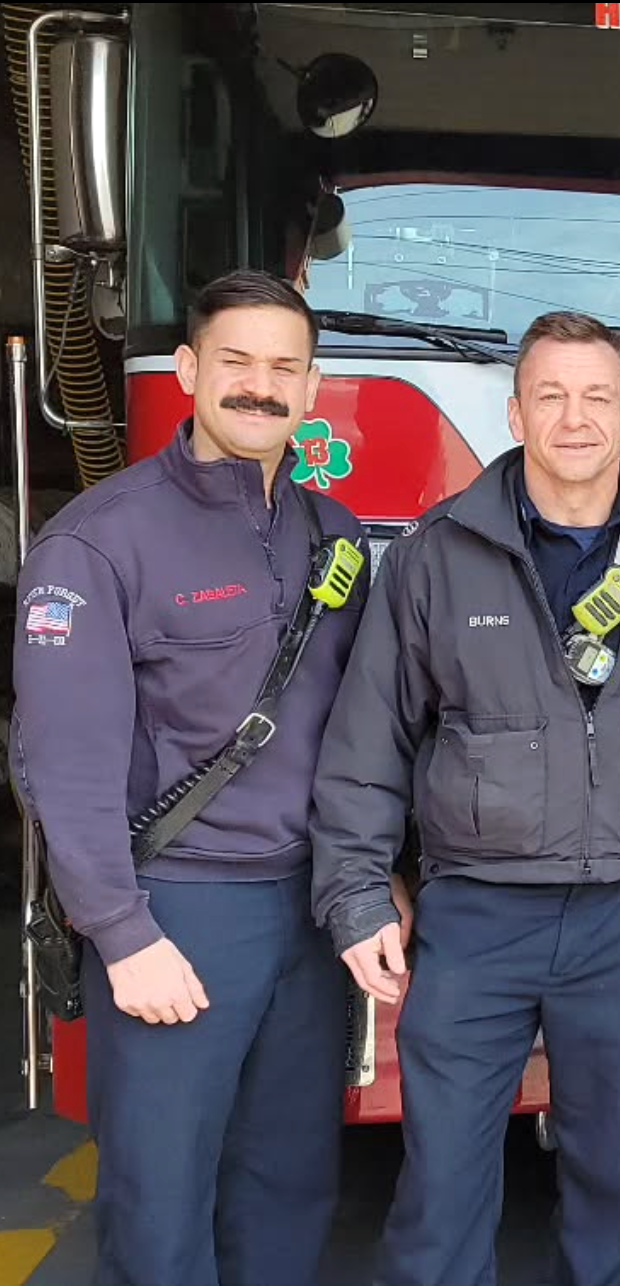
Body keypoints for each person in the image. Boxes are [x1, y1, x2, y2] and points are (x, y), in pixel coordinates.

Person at [310, 310, 620, 1286]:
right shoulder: (437, 555)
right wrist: (356, 889)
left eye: (597, 395)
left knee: (615, 1179)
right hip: (477, 910)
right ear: (514, 410)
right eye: (550, 394)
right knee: (443, 1180)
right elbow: (369, 735)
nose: (574, 416)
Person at [11, 269, 368, 1286]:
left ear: (309, 388)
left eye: (283, 368)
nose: (260, 387)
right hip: (178, 911)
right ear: (187, 371)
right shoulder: (98, 539)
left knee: (288, 1188)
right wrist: (123, 934)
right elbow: (61, 763)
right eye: (236, 363)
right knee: (162, 1206)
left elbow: (357, 732)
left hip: (306, 916)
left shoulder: (333, 535)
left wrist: (367, 874)